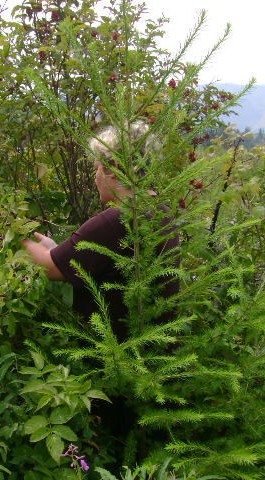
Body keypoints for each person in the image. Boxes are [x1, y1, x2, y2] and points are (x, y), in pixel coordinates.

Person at [21, 120, 179, 339]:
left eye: (96, 169)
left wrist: (12, 232)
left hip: (116, 352)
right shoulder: (161, 212)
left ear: (112, 168)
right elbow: (85, 263)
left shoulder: (117, 219)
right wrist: (55, 250)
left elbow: (49, 267)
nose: (95, 178)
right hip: (153, 347)